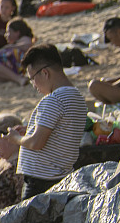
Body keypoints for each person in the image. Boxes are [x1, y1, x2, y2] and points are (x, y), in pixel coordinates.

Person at [16, 45, 91, 196]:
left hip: (40, 181)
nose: (34, 85)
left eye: (32, 78)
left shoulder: (53, 100)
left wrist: (16, 138)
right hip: (60, 177)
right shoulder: (77, 97)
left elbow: (36, 143)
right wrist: (29, 130)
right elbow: (60, 132)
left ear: (45, 73)